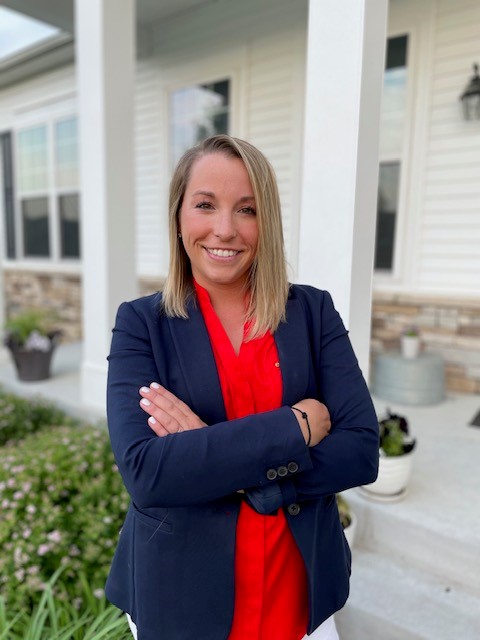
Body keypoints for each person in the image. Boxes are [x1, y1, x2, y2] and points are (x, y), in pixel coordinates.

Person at [105, 134, 379, 640]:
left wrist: (210, 455)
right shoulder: (141, 323)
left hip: (296, 589)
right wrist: (294, 426)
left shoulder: (312, 313)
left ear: (266, 221)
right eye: (205, 205)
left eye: (247, 209)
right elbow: (146, 472)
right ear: (179, 216)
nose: (225, 229)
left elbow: (361, 451)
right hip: (183, 595)